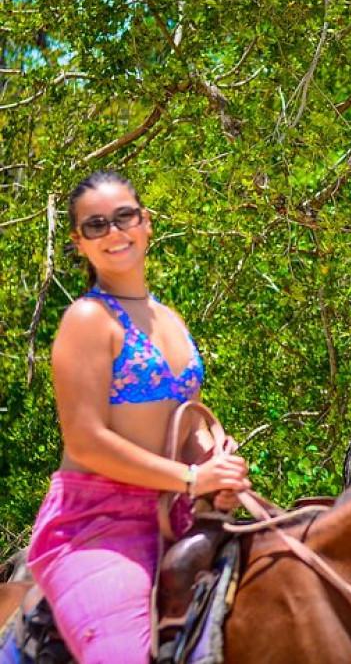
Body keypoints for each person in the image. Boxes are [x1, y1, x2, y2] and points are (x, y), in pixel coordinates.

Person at [26, 171, 250, 663]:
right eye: (95, 225)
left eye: (125, 217)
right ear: (78, 244)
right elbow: (86, 442)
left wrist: (219, 459)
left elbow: (185, 421)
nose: (113, 232)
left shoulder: (169, 319)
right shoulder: (87, 320)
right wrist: (193, 477)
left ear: (146, 223)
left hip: (173, 509)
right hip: (94, 524)